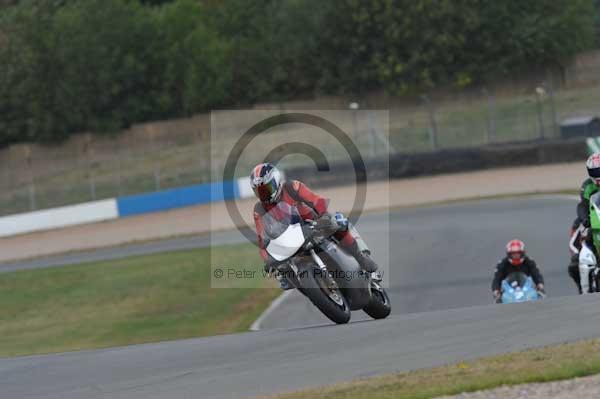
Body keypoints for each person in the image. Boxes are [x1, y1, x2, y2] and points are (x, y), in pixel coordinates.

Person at [250, 163, 378, 289]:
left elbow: (316, 200)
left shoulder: (291, 187)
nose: (264, 194)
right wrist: (267, 259)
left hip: (314, 222)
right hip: (289, 237)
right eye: (259, 192)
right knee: (281, 269)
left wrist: (325, 216)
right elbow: (262, 239)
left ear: (276, 181)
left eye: (267, 189)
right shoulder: (259, 208)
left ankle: (361, 258)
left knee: (338, 221)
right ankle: (304, 284)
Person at [575, 153, 600, 293]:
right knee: (583, 251)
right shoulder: (587, 186)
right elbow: (583, 206)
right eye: (595, 171)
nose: (598, 174)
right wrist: (585, 219)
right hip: (596, 222)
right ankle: (585, 290)